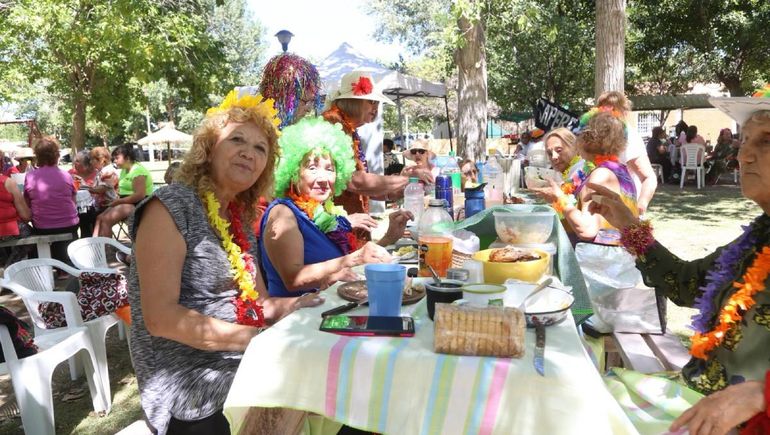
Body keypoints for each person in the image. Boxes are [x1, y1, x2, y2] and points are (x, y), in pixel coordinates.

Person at [129, 90, 324, 435]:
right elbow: (160, 319)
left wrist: (302, 306)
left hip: (243, 359)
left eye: (260, 148)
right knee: (317, 394)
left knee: (335, 386)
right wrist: (257, 340)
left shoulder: (237, 216)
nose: (249, 152)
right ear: (208, 147)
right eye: (237, 140)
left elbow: (259, 304)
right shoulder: (170, 205)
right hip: (189, 384)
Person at [585, 85, 770, 435]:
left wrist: (762, 394)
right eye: (746, 139)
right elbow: (686, 285)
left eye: (767, 140)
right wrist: (628, 225)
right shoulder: (758, 238)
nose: (744, 155)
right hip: (693, 402)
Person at [260, 117, 411, 296]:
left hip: (330, 310)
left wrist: (388, 238)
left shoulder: (321, 212)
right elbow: (293, 279)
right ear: (293, 172)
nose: (323, 179)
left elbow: (340, 265)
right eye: (312, 168)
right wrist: (356, 258)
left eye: (330, 169)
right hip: (296, 318)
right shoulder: (282, 214)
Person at [322, 71, 432, 242]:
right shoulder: (333, 124)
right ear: (353, 101)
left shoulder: (348, 129)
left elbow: (361, 188)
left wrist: (395, 192)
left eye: (377, 102)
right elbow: (353, 181)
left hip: (350, 228)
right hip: (337, 230)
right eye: (371, 101)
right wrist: (406, 178)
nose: (375, 108)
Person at [596, 91, 658, 215]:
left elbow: (649, 178)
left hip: (625, 209)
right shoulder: (598, 136)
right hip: (601, 209)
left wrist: (641, 203)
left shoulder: (630, 137)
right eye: (602, 108)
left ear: (622, 111)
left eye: (611, 109)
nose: (605, 112)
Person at [23, 136, 78, 264]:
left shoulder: (31, 176)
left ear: (37, 156)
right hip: (69, 224)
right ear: (57, 155)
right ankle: (63, 266)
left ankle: (51, 264)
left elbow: (27, 204)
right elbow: (73, 200)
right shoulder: (66, 175)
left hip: (42, 226)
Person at [92, 143, 153, 237]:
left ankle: (107, 250)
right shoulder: (125, 170)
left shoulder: (138, 171)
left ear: (127, 158)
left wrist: (118, 201)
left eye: (117, 158)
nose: (114, 161)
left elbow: (139, 195)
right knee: (99, 217)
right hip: (125, 202)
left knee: (106, 220)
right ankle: (95, 245)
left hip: (139, 204)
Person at [258, 52, 321, 129]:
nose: (309, 109)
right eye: (305, 101)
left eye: (312, 101)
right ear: (280, 96)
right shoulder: (256, 130)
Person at [0, 165, 32, 267]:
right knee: (31, 235)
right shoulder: (8, 182)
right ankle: (10, 266)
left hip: (7, 229)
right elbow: (25, 215)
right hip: (10, 228)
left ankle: (4, 264)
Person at [69, 150, 99, 237]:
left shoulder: (97, 174)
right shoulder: (70, 173)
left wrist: (83, 184)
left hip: (94, 207)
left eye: (78, 161)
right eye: (75, 160)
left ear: (87, 164)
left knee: (86, 214)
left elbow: (98, 193)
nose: (75, 162)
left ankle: (87, 240)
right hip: (73, 206)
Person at [88, 146, 118, 212]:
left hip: (109, 206)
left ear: (102, 160)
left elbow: (101, 189)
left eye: (92, 159)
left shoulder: (108, 171)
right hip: (102, 205)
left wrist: (85, 187)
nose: (90, 162)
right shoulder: (101, 171)